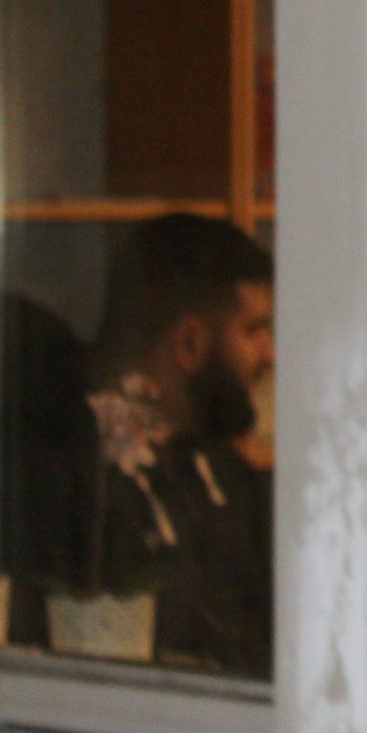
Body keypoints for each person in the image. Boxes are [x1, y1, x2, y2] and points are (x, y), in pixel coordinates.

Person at [86, 213, 276, 676]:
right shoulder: (80, 480)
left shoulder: (225, 475)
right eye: (253, 330)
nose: (270, 354)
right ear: (189, 343)